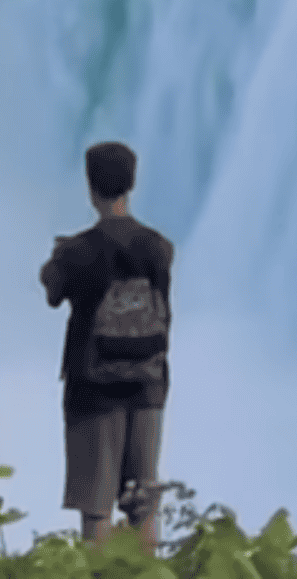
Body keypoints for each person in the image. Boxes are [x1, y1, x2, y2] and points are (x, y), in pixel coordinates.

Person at [40, 142, 174, 556]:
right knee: (143, 505)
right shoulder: (159, 248)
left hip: (92, 388)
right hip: (149, 385)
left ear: (90, 187)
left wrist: (53, 260)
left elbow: (52, 293)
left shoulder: (76, 252)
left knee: (96, 511)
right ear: (132, 184)